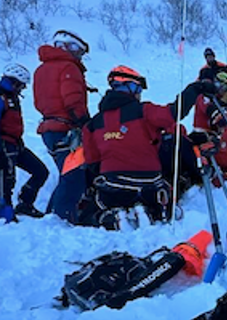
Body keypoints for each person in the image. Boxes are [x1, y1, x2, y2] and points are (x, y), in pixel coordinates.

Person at [80, 65, 210, 227]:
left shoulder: (92, 125)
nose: (140, 93)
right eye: (138, 88)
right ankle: (155, 211)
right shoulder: (145, 111)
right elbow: (175, 112)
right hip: (150, 184)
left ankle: (111, 217)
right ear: (130, 87)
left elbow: (92, 163)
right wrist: (194, 89)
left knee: (91, 208)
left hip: (114, 187)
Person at [0, 64, 50, 223]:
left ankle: (25, 203)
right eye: (21, 85)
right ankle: (3, 210)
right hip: (2, 144)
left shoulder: (11, 98)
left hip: (15, 144)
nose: (22, 89)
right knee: (6, 178)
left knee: (40, 171)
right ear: (14, 82)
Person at [33, 29, 91, 172]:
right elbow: (73, 101)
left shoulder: (41, 69)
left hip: (48, 129)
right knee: (73, 179)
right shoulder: (69, 67)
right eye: (79, 51)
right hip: (66, 130)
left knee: (67, 173)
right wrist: (86, 123)